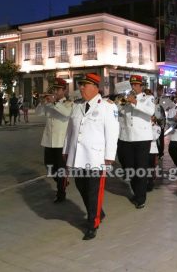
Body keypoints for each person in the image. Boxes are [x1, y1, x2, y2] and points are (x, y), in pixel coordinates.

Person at [63, 73, 119, 240]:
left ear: (95, 87)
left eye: (84, 85)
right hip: (78, 157)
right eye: (80, 85)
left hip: (97, 158)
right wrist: (66, 151)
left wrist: (109, 157)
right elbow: (69, 132)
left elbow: (112, 134)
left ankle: (92, 224)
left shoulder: (108, 107)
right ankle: (97, 212)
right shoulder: (77, 106)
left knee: (94, 192)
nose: (81, 88)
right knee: (82, 188)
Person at [117, 75, 155, 209]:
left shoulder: (148, 98)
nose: (133, 87)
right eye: (132, 85)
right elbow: (120, 113)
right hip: (127, 137)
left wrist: (135, 102)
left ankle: (141, 197)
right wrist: (118, 104)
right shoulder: (127, 99)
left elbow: (150, 111)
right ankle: (137, 191)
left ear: (141, 86)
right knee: (129, 167)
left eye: (136, 85)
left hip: (142, 138)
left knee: (141, 168)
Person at [36, 78, 72, 203]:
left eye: (58, 89)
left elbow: (67, 113)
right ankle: (63, 181)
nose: (56, 91)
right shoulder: (50, 103)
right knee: (49, 167)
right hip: (48, 141)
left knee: (60, 169)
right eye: (54, 89)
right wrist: (42, 103)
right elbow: (38, 113)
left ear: (64, 90)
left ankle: (61, 194)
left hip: (61, 142)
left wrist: (54, 103)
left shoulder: (68, 103)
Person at [147, 116, 161, 191]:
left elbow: (154, 137)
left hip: (152, 150)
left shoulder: (157, 127)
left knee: (151, 168)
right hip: (143, 149)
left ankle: (150, 183)